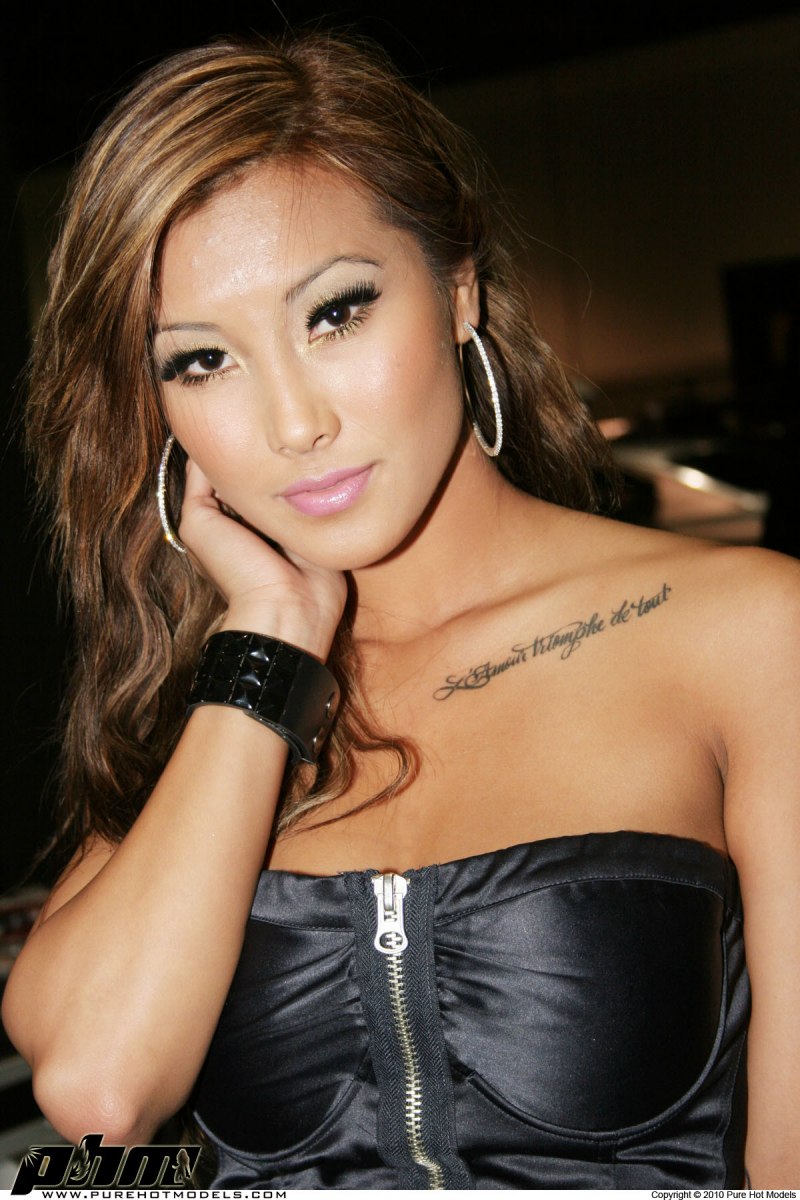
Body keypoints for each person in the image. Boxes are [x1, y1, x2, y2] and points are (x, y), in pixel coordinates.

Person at [3, 32, 799, 1190]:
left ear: (457, 288)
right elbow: (99, 1096)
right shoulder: (216, 704)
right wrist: (269, 635)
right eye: (202, 361)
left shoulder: (746, 631)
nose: (293, 423)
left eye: (334, 313)